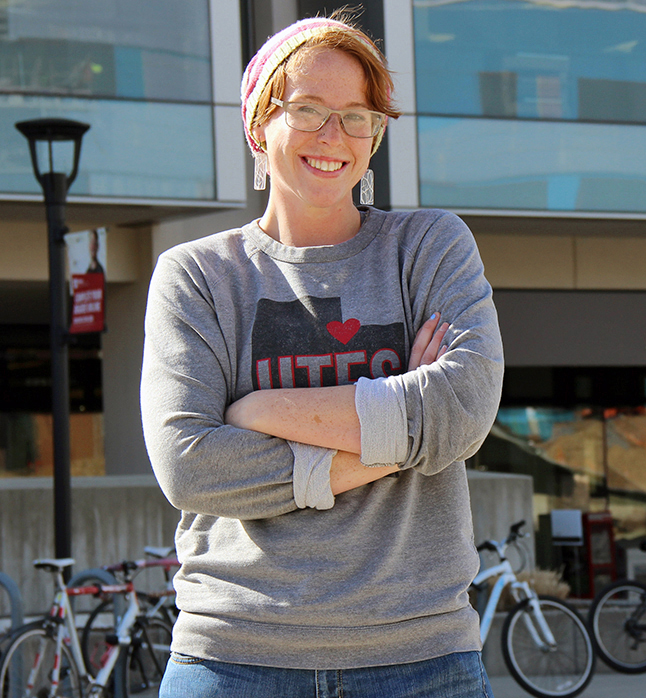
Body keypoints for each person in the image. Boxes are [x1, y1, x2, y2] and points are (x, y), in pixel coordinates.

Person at [140, 12, 502, 698]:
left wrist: (259, 409)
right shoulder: (197, 275)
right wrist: (402, 438)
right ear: (258, 125)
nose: (334, 135)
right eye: (307, 109)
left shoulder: (429, 247)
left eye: (357, 115)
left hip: (422, 658)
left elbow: (462, 412)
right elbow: (190, 465)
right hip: (233, 659)